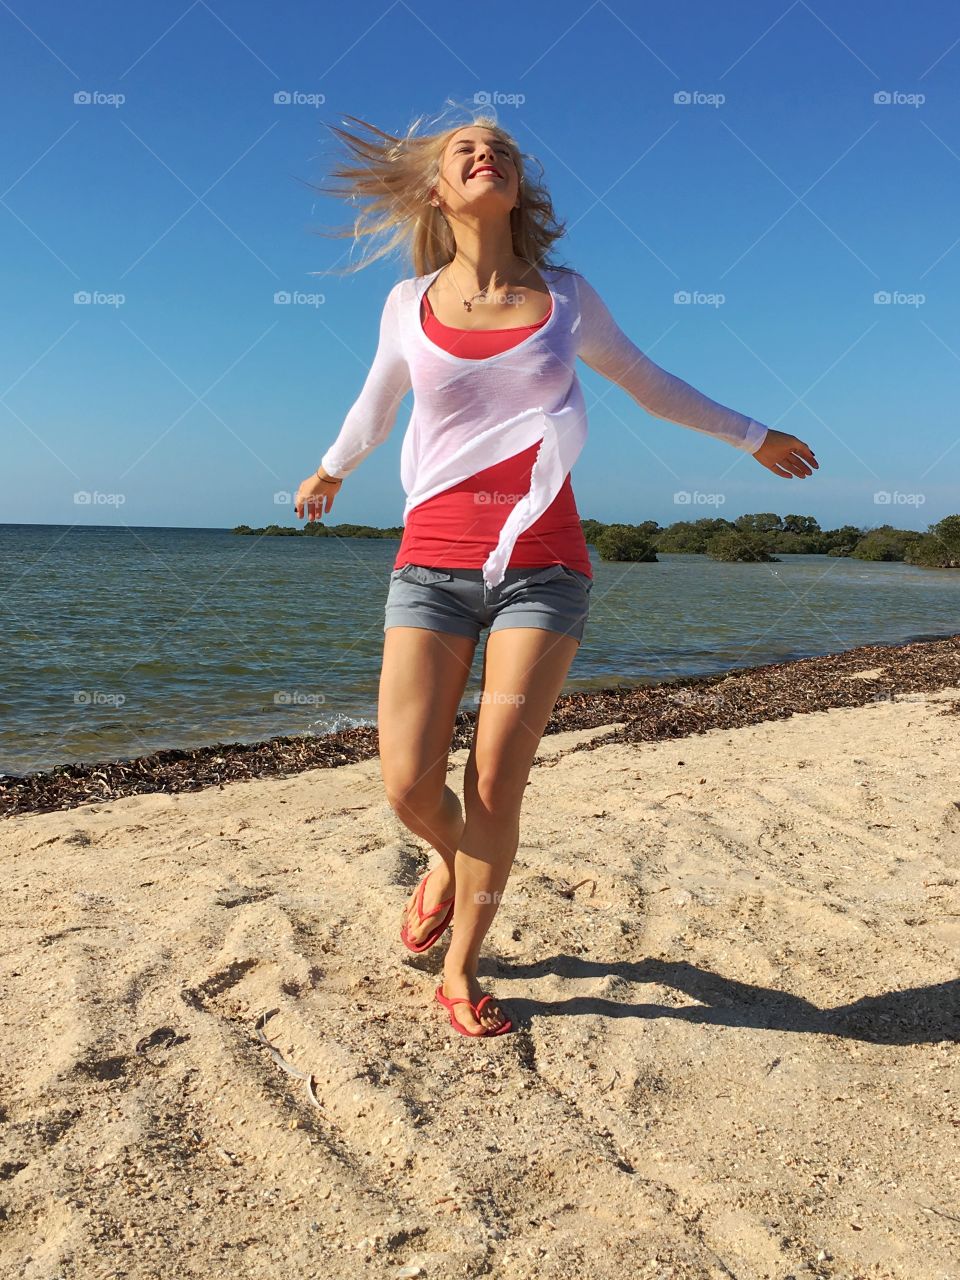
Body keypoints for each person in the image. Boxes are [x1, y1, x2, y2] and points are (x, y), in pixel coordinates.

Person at [295, 113, 818, 1038]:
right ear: (436, 190)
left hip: (544, 569)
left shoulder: (567, 297)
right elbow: (374, 404)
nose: (483, 148)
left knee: (496, 785)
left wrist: (753, 435)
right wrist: (333, 467)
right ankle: (448, 866)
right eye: (463, 146)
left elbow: (651, 383)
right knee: (410, 786)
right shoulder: (406, 303)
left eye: (499, 144)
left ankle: (461, 969)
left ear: (517, 184)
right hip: (431, 564)